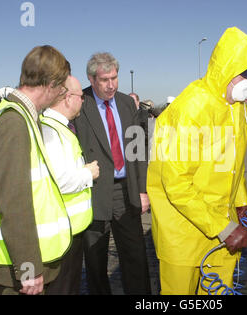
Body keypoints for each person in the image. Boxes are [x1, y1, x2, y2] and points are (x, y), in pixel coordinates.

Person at [147, 27, 247, 295]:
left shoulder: (238, 109)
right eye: (244, 76)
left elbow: (232, 165)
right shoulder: (190, 109)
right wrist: (222, 228)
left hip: (223, 226)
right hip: (184, 232)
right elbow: (176, 184)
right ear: (226, 72)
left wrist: (241, 203)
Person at [0, 45, 72, 295]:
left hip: (18, 264)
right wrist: (29, 267)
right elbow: (13, 201)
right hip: (16, 268)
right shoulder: (14, 122)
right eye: (61, 89)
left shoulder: (22, 117)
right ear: (50, 84)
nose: (61, 95)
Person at [73, 52, 151, 295]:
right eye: (104, 80)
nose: (111, 85)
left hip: (126, 191)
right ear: (91, 79)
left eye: (114, 78)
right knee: (96, 263)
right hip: (94, 192)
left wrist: (142, 190)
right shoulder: (79, 104)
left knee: (136, 257)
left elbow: (138, 151)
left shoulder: (127, 103)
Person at [40, 75, 100, 295]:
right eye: (81, 97)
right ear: (68, 98)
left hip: (70, 230)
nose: (83, 101)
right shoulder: (51, 131)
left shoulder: (60, 127)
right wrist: (88, 173)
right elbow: (60, 181)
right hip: (62, 235)